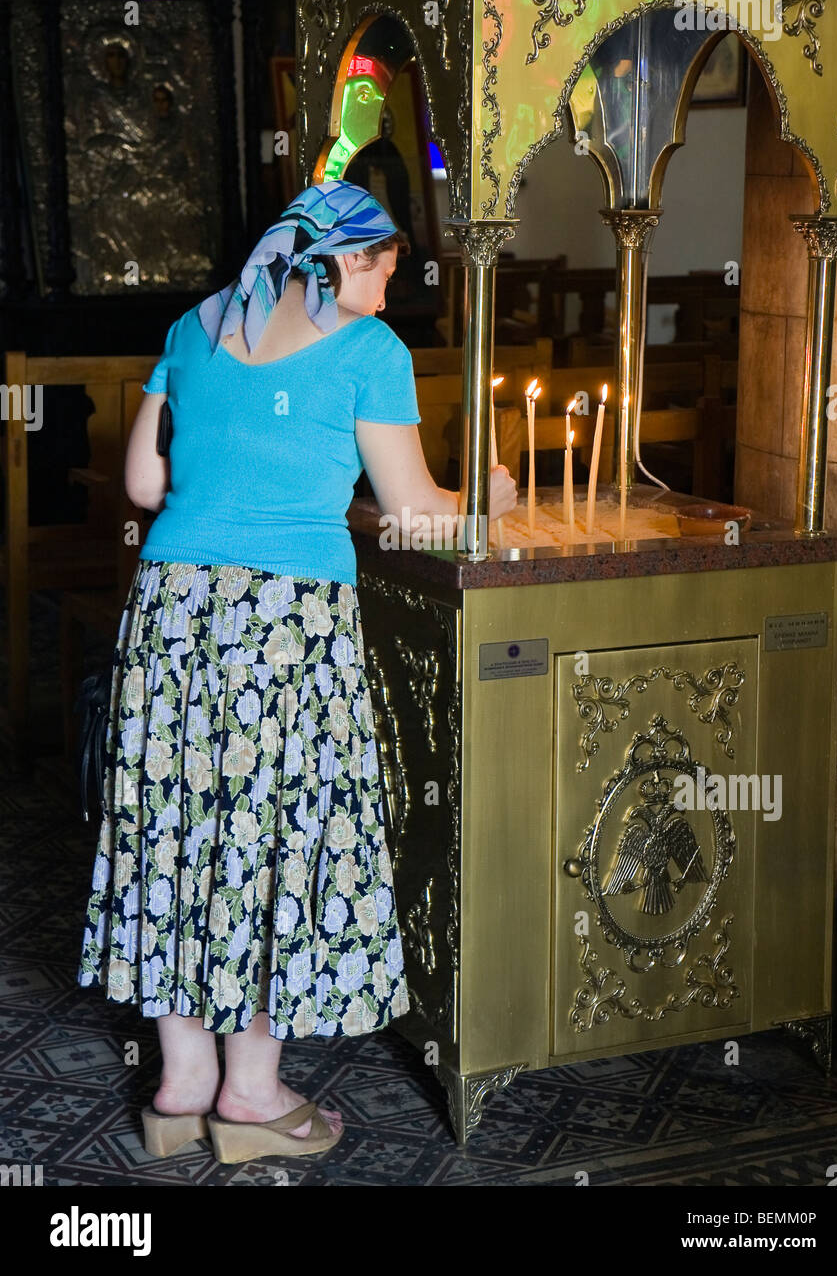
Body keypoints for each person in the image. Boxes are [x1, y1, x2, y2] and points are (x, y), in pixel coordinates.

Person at [77, 179, 518, 1165]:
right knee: (275, 836)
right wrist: (483, 496)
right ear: (341, 258)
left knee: (179, 829)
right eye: (387, 259)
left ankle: (179, 1080)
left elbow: (144, 484)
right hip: (287, 621)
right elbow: (413, 514)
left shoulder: (195, 326)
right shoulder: (369, 354)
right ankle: (248, 1088)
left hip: (174, 608)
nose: (395, 278)